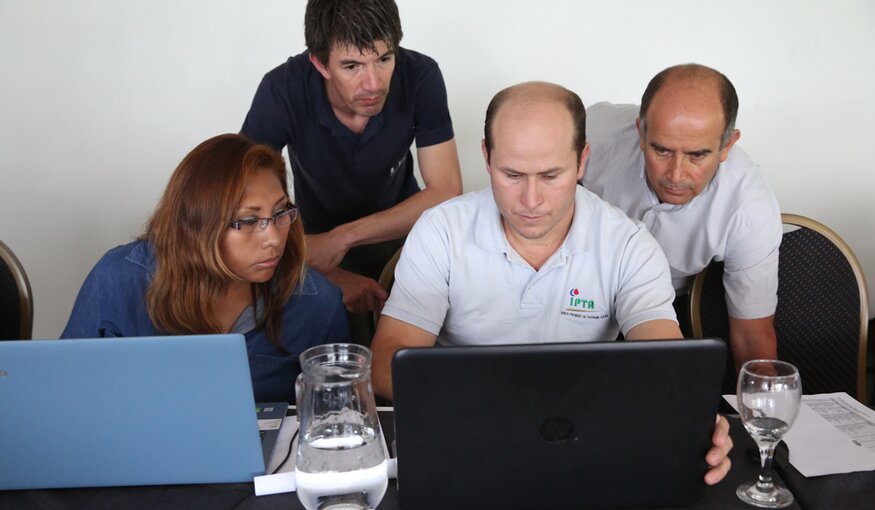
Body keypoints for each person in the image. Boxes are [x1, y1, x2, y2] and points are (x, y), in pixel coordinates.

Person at [370, 81, 732, 485]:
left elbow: (667, 362)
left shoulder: (627, 244)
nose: (530, 200)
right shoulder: (441, 231)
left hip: (580, 443)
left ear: (582, 162)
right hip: (463, 438)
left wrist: (691, 412)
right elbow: (387, 367)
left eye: (550, 175)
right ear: (487, 157)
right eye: (512, 174)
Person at [62, 134, 349, 403]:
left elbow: (336, 419)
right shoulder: (117, 279)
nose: (273, 239)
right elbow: (65, 393)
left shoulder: (318, 303)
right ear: (196, 226)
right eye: (248, 221)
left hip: (261, 456)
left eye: (280, 213)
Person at [240, 0, 462, 343]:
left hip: (405, 233)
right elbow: (246, 204)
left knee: (426, 342)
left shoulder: (422, 75)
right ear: (319, 63)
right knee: (335, 342)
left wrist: (343, 238)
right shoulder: (282, 88)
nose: (373, 83)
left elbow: (446, 191)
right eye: (352, 66)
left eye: (384, 59)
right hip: (312, 240)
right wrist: (325, 269)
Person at [581, 64, 781, 370]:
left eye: (697, 155)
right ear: (640, 131)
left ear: (727, 145)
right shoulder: (594, 132)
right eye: (660, 150)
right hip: (575, 296)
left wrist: (763, 413)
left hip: (665, 313)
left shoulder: (750, 209)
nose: (675, 175)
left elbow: (752, 338)